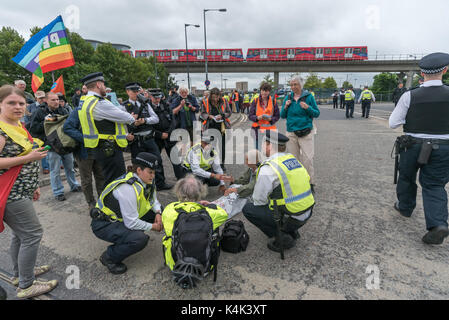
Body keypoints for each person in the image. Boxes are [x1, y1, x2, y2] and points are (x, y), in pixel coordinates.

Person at [0, 85, 58, 299]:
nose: (18, 107)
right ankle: (26, 285)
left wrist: (33, 185)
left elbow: (26, 154)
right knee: (32, 234)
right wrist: (27, 159)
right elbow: (22, 158)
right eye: (11, 103)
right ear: (0, 105)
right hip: (11, 194)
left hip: (21, 191)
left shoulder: (17, 125)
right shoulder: (1, 130)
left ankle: (20, 274)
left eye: (21, 103)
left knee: (20, 234)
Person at [389, 52, 449, 245]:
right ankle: (438, 224)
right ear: (445, 70)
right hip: (443, 148)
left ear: (422, 74)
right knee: (434, 185)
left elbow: (393, 123)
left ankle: (405, 207)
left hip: (413, 145)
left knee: (406, 177)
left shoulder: (410, 95)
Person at [242, 131, 315, 253]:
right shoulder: (293, 160)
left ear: (269, 145)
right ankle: (292, 230)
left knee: (248, 208)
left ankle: (282, 236)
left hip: (291, 216)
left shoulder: (268, 168)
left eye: (264, 143)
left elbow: (259, 200)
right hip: (307, 211)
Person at [91, 152, 163, 274]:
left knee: (164, 212)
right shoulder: (128, 188)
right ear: (139, 170)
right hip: (104, 224)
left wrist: (158, 213)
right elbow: (131, 222)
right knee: (138, 239)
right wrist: (152, 227)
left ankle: (127, 236)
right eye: (150, 172)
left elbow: (152, 200)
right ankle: (109, 257)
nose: (153, 175)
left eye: (154, 172)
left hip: (123, 218)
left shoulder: (146, 180)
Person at [161, 174, 228, 287]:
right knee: (214, 228)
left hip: (176, 266)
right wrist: (209, 204)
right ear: (200, 192)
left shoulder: (170, 210)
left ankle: (174, 263)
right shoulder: (210, 213)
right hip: (204, 269)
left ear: (179, 191)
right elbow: (224, 214)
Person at [78, 72, 140, 187]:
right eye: (103, 84)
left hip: (98, 147)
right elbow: (126, 118)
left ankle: (109, 203)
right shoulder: (99, 102)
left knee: (108, 180)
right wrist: (132, 117)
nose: (105, 88)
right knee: (116, 182)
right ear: (98, 84)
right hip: (109, 148)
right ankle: (114, 204)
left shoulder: (85, 100)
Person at [29, 92, 81, 201]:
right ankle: (58, 192)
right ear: (46, 101)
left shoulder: (63, 110)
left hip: (66, 145)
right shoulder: (39, 112)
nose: (56, 102)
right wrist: (46, 122)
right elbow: (33, 129)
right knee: (55, 171)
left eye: (57, 99)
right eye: (53, 100)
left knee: (70, 168)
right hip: (52, 146)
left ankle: (74, 185)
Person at [122, 83, 172, 191]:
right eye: (133, 91)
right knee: (138, 165)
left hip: (149, 139)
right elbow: (119, 124)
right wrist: (129, 122)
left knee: (157, 160)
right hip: (136, 140)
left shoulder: (144, 104)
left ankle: (160, 183)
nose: (136, 94)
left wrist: (144, 120)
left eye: (137, 91)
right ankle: (140, 187)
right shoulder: (123, 106)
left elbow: (156, 118)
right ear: (127, 92)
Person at [281, 76, 320, 190]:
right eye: (291, 85)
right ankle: (297, 183)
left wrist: (308, 107)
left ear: (301, 85)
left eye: (295, 84)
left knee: (308, 159)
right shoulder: (288, 97)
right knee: (293, 160)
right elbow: (282, 115)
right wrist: (286, 106)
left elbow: (316, 113)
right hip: (291, 132)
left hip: (306, 131)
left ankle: (310, 183)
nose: (293, 87)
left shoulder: (308, 97)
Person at [63, 104, 105, 209]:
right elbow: (67, 127)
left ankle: (103, 200)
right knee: (86, 179)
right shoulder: (78, 110)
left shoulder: (100, 108)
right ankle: (91, 202)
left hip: (98, 149)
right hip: (84, 151)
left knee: (101, 176)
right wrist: (85, 139)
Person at [149, 88, 184, 180]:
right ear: (150, 97)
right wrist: (159, 134)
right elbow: (148, 126)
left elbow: (173, 121)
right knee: (157, 160)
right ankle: (160, 182)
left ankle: (181, 178)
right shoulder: (147, 107)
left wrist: (168, 133)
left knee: (175, 157)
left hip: (169, 136)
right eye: (155, 97)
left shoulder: (166, 105)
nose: (157, 99)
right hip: (156, 138)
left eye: (159, 97)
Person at [200, 87, 232, 171]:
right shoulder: (205, 102)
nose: (216, 99)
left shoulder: (224, 101)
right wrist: (209, 116)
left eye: (217, 97)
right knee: (210, 147)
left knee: (222, 147)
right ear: (211, 96)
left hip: (221, 127)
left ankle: (222, 164)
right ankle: (212, 164)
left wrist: (223, 115)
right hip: (210, 127)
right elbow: (202, 114)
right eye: (214, 97)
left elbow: (229, 112)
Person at [249, 82, 280, 150]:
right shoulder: (255, 101)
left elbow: (277, 116)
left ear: (269, 91)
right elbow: (250, 115)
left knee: (269, 152)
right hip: (257, 131)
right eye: (263, 90)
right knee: (258, 151)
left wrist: (271, 119)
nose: (264, 92)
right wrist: (257, 118)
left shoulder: (273, 101)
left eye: (266, 91)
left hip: (270, 132)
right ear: (260, 90)